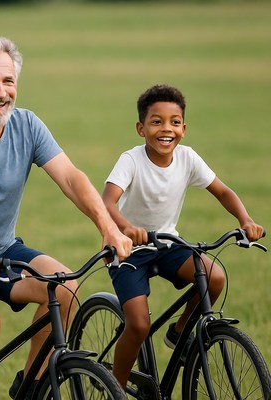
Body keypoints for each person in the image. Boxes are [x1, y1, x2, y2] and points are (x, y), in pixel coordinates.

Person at [0, 36, 132, 400]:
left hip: (2, 251)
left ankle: (30, 388)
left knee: (66, 288)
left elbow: (72, 179)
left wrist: (109, 228)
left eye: (8, 81)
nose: (1, 92)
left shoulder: (27, 125)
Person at [102, 84, 264, 390]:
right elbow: (107, 202)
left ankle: (178, 331)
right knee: (137, 325)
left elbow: (223, 191)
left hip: (167, 244)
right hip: (127, 250)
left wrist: (245, 220)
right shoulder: (131, 160)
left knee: (214, 278)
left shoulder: (187, 158)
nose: (167, 129)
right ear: (141, 128)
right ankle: (116, 387)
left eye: (174, 122)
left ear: (184, 129)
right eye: (156, 121)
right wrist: (125, 228)